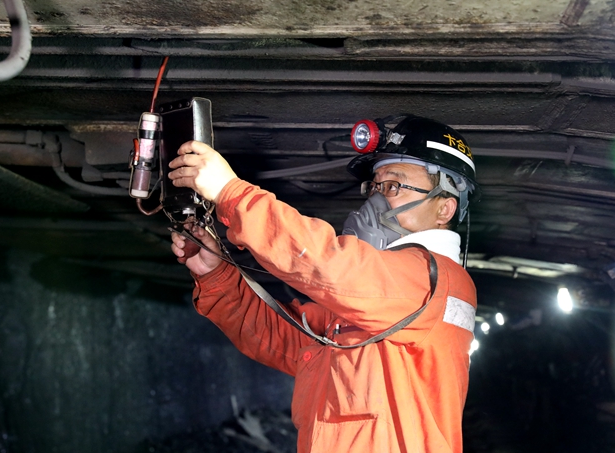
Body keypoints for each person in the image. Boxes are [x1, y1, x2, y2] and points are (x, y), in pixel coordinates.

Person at [168, 115, 479, 453]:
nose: (376, 200)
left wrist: (231, 193)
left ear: (444, 209)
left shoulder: (435, 281)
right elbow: (282, 337)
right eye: (375, 187)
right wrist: (217, 275)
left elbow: (327, 264)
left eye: (393, 186)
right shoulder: (377, 300)